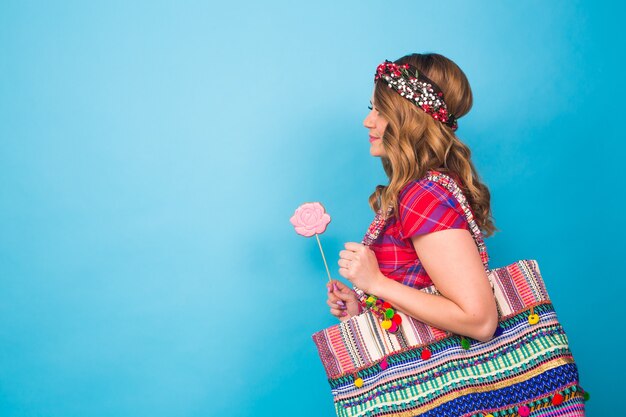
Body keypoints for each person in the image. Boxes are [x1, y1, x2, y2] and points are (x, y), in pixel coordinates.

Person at [326, 53, 498, 342]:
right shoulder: (424, 189)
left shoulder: (423, 195)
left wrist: (376, 283)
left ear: (410, 119)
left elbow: (479, 321)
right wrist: (364, 309)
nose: (367, 121)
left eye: (381, 111)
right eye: (372, 108)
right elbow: (423, 288)